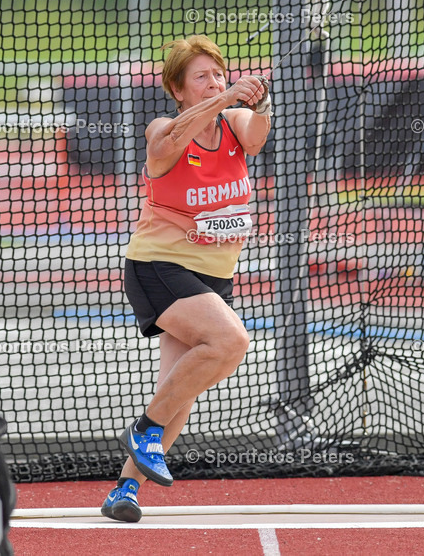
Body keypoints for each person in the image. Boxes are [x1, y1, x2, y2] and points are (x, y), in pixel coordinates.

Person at [101, 35, 270, 522]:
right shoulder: (165, 128)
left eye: (218, 73)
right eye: (202, 76)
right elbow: (166, 143)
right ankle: (145, 427)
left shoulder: (234, 125)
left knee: (182, 389)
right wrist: (226, 95)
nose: (214, 81)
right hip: (160, 266)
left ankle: (125, 490)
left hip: (214, 273)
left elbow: (256, 136)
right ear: (178, 89)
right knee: (230, 341)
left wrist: (259, 99)